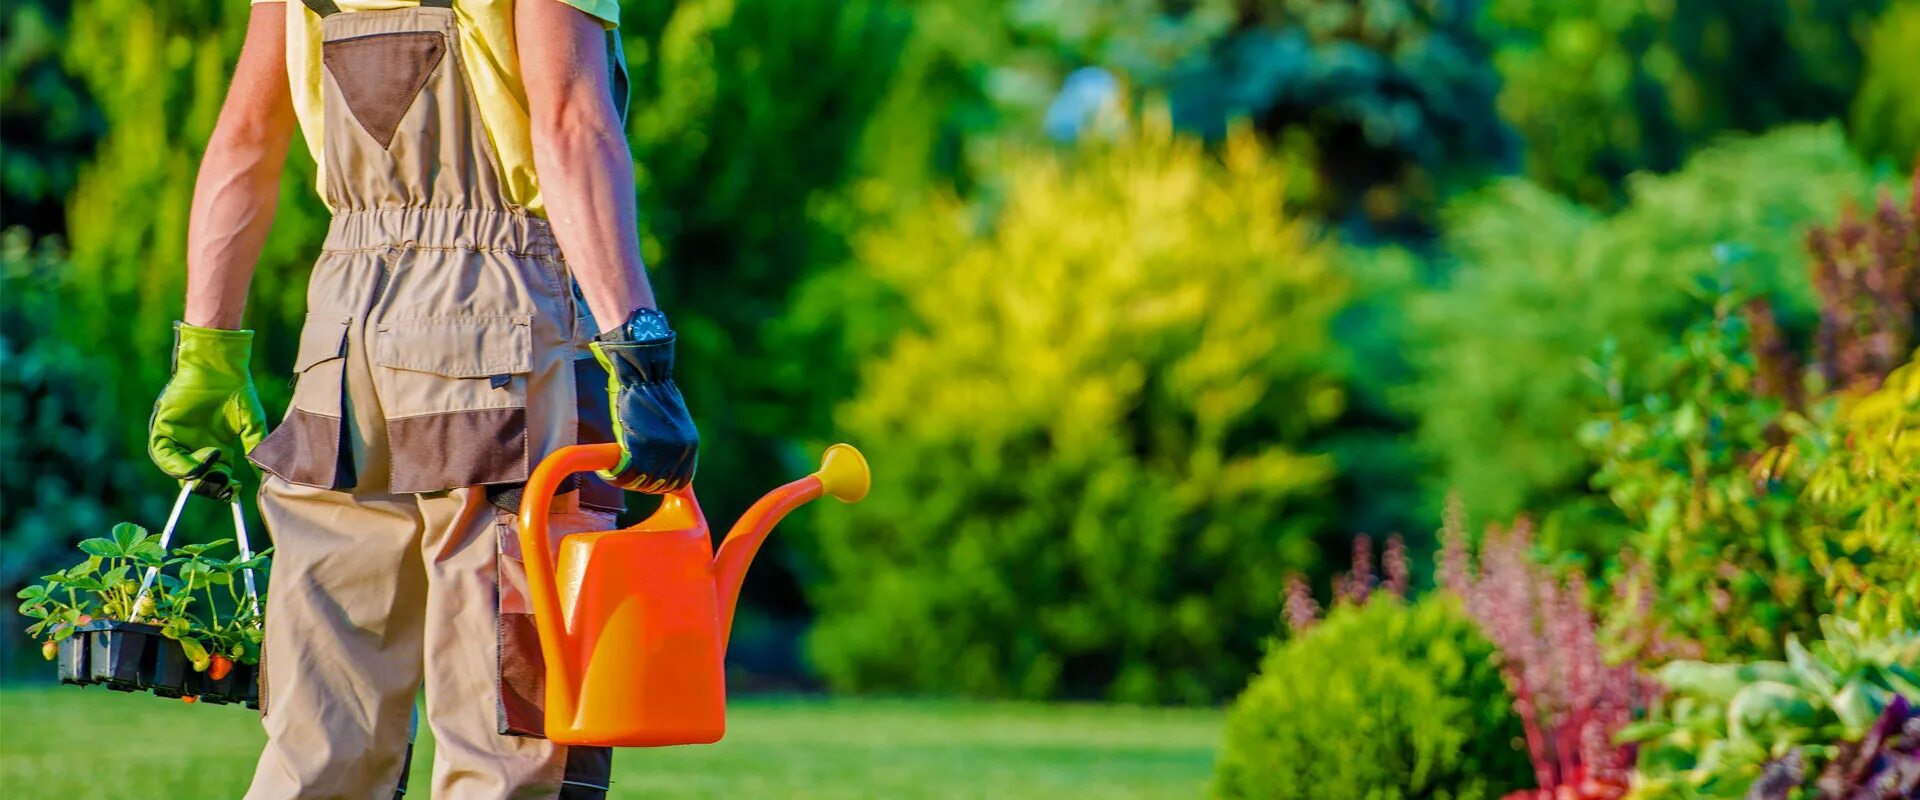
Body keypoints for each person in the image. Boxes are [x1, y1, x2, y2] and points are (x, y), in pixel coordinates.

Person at [143, 0, 699, 796]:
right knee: (507, 729)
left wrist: (208, 348)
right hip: (502, 321)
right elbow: (572, 124)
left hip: (340, 333)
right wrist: (638, 347)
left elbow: (246, 138)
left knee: (321, 732)